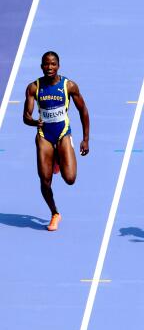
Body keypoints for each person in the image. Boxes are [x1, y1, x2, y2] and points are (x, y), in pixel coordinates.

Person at [22, 51, 89, 231]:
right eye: (46, 64)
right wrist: (35, 121)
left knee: (70, 179)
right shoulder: (33, 88)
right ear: (41, 66)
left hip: (62, 133)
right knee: (45, 181)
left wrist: (85, 140)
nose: (49, 67)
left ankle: (58, 158)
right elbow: (26, 117)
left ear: (58, 66)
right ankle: (54, 213)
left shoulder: (69, 86)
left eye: (53, 64)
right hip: (44, 136)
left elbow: (83, 111)